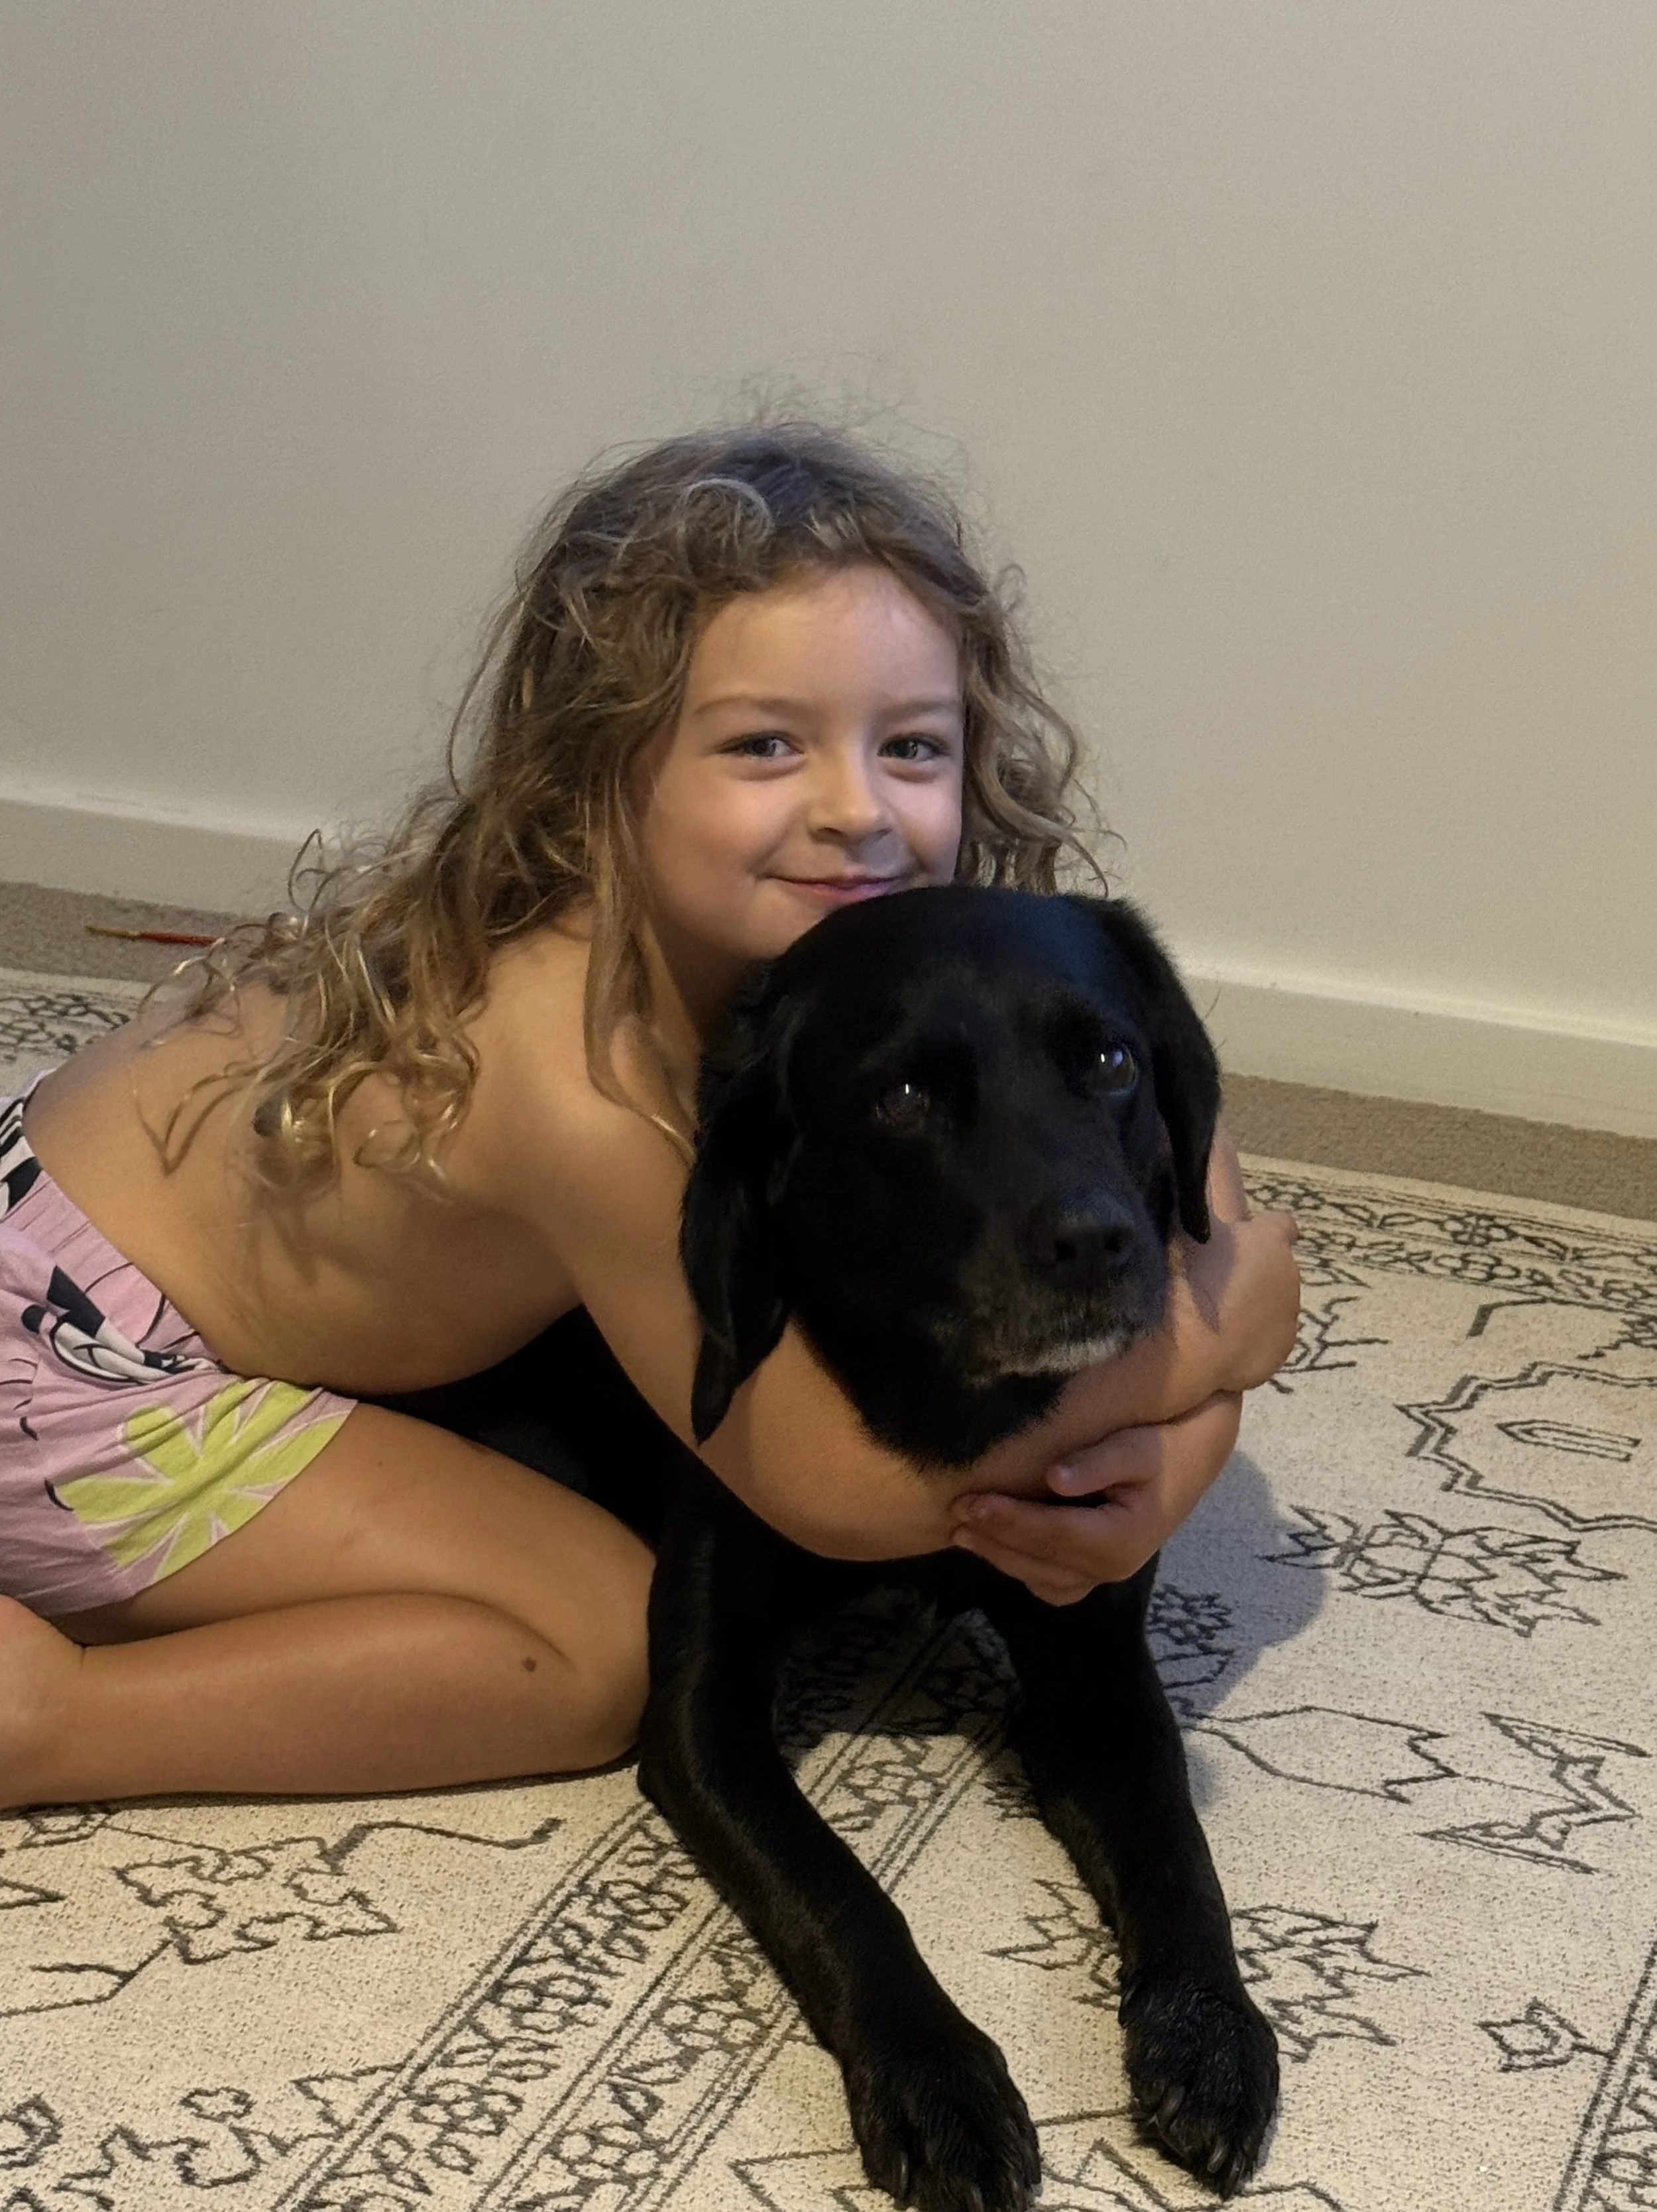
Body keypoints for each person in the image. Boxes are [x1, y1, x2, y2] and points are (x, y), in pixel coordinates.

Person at [0, 424, 1300, 1810]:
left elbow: (1125, 1092)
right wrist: (1213, 1333)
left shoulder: (856, 942)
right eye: (763, 746)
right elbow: (837, 1488)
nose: (856, 809)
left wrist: (1170, 1464)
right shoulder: (580, 1070)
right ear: (596, 771)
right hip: (76, 1369)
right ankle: (51, 1719)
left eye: (910, 746)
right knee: (592, 1643)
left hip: (49, 1208)